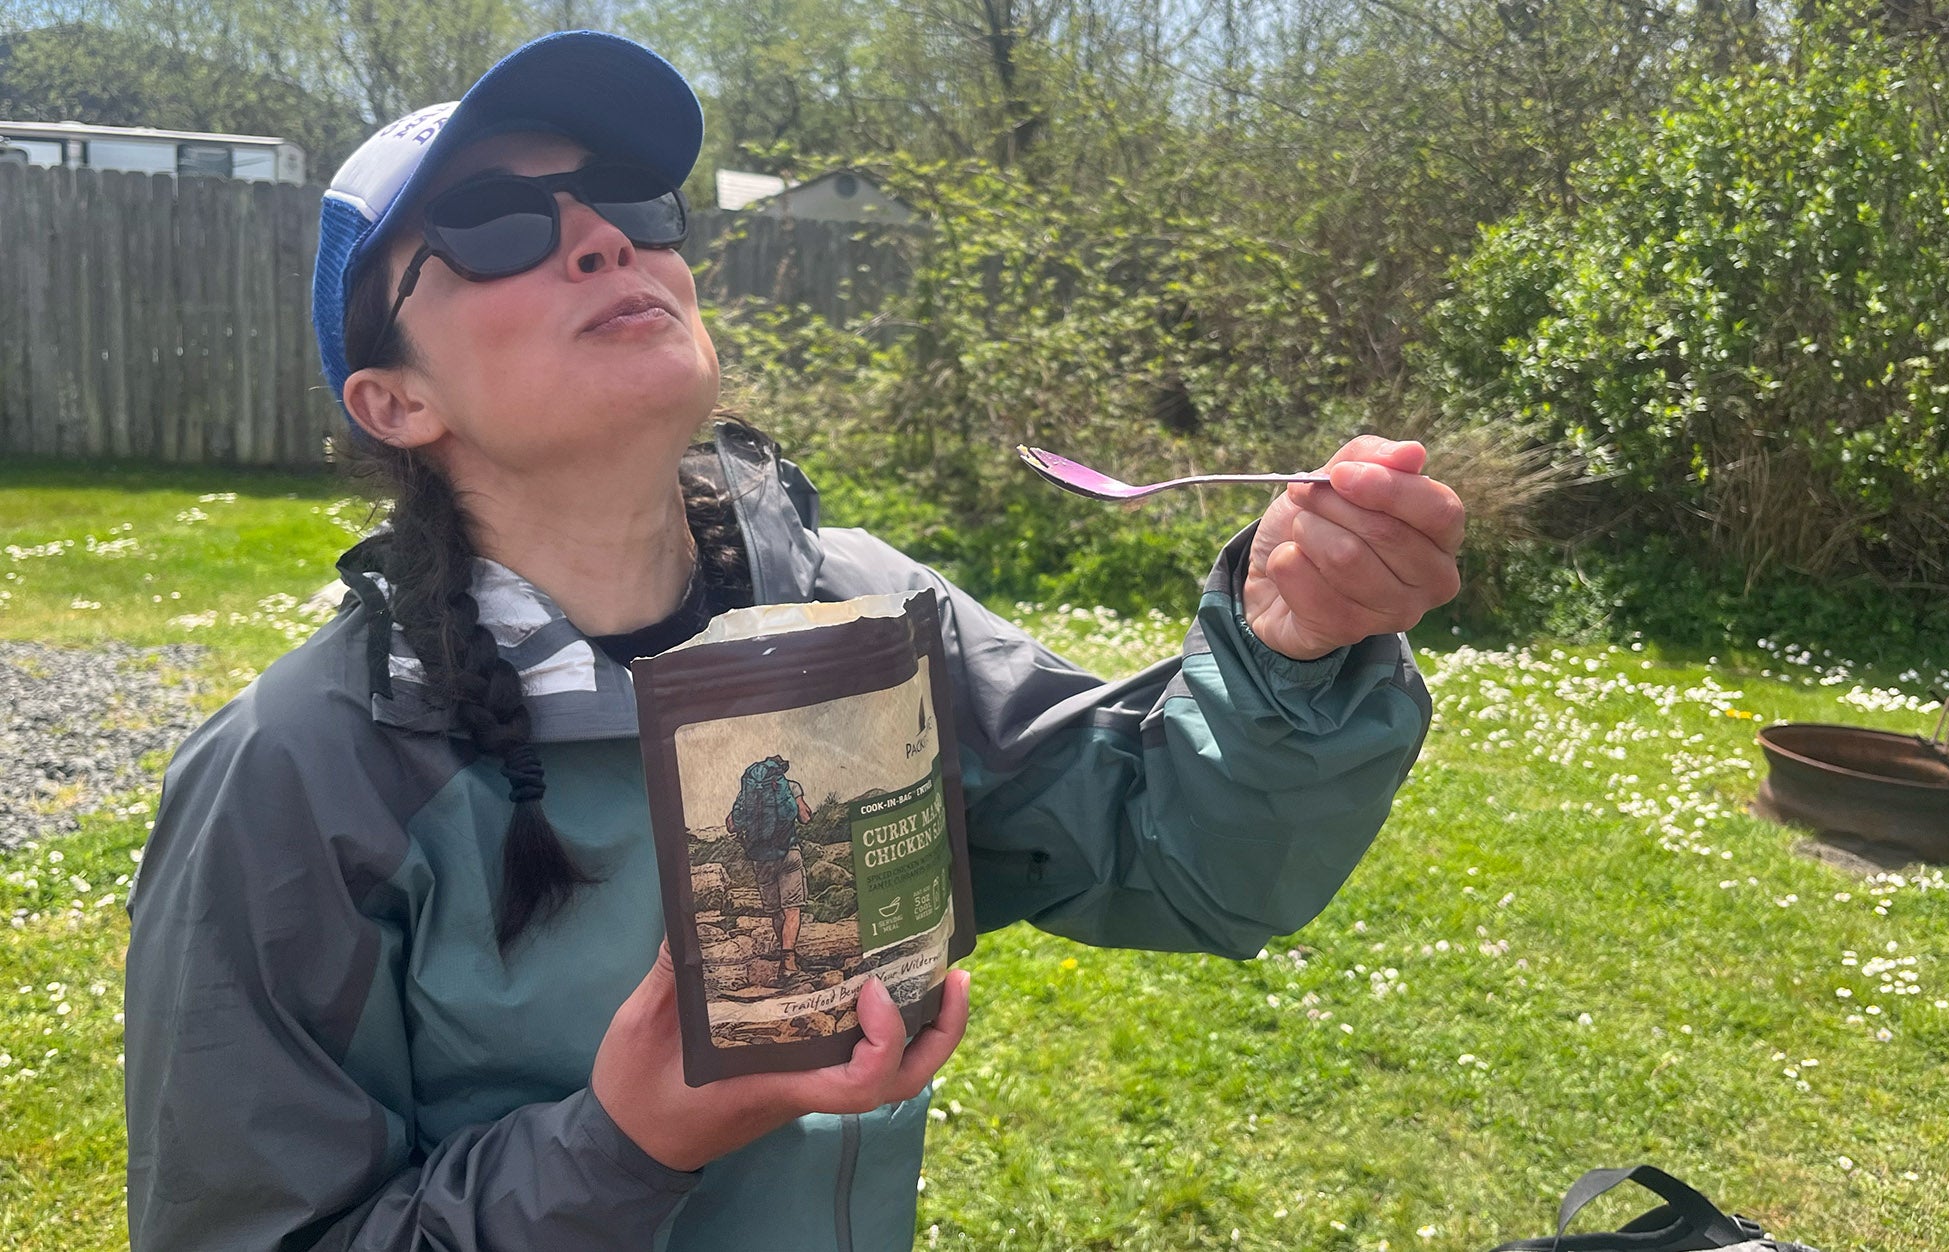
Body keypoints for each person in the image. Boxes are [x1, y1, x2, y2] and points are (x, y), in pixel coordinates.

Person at [122, 29, 1465, 1252]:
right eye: (492, 226)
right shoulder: (299, 775)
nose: (604, 241)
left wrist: (1291, 648)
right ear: (393, 399)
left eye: (633, 207)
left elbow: (1187, 865)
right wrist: (623, 1149)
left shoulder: (862, 624)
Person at [726, 754, 813, 977]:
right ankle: (789, 963)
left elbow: (731, 825)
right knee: (792, 910)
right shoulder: (791, 787)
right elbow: (805, 817)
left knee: (776, 912)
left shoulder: (748, 793)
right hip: (789, 853)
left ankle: (787, 955)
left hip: (762, 860)